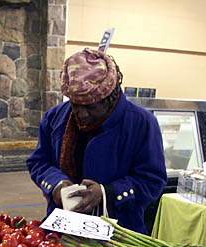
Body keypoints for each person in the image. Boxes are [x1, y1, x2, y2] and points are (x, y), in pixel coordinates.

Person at [27, 48, 167, 234]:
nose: (81, 114)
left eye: (91, 107)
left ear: (111, 98)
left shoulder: (141, 123)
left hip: (119, 233)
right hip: (62, 228)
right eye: (75, 105)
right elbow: (39, 162)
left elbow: (153, 180)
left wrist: (106, 192)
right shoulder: (55, 118)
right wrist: (57, 185)